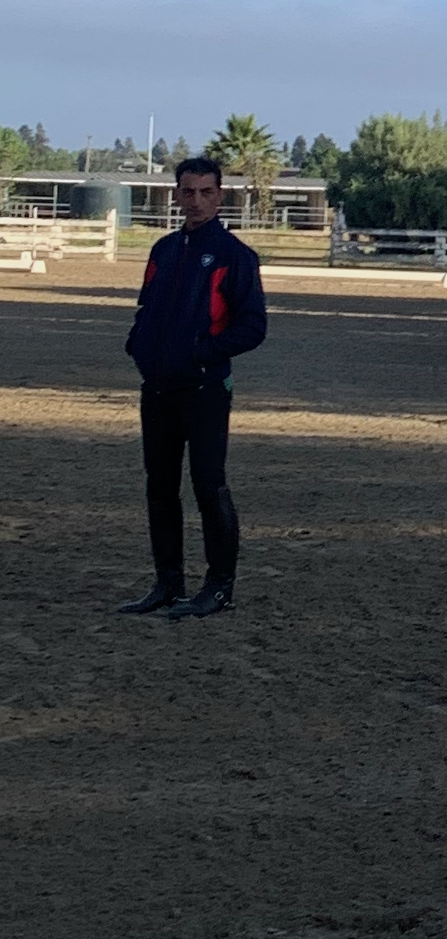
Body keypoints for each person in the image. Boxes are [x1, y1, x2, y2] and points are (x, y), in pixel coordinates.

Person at [117, 156, 268, 620]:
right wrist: (138, 345)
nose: (196, 200)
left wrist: (202, 351)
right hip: (157, 388)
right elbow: (147, 309)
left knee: (208, 486)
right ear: (176, 195)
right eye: (188, 191)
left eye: (206, 192)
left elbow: (253, 327)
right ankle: (168, 583)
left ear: (220, 196)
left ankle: (219, 587)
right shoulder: (162, 250)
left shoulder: (235, 256)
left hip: (204, 391)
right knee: (160, 487)